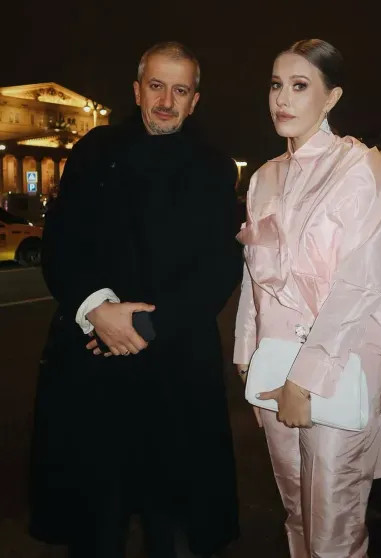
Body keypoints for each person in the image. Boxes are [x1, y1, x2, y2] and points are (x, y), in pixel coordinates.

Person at [234, 39, 381, 558]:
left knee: (333, 521)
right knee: (296, 511)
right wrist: (247, 352)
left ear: (331, 97)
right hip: (274, 360)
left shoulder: (361, 169)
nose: (282, 99)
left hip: (342, 363)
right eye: (276, 85)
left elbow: (361, 285)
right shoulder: (265, 177)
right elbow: (255, 275)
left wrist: (304, 379)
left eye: (300, 86)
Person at [30, 41, 241, 558]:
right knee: (95, 525)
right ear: (137, 90)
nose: (166, 101)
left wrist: (142, 328)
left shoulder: (216, 168)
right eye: (156, 86)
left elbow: (219, 268)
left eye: (180, 90)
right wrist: (96, 310)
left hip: (176, 369)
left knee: (172, 528)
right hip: (93, 365)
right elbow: (61, 243)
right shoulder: (94, 151)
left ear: (194, 100)